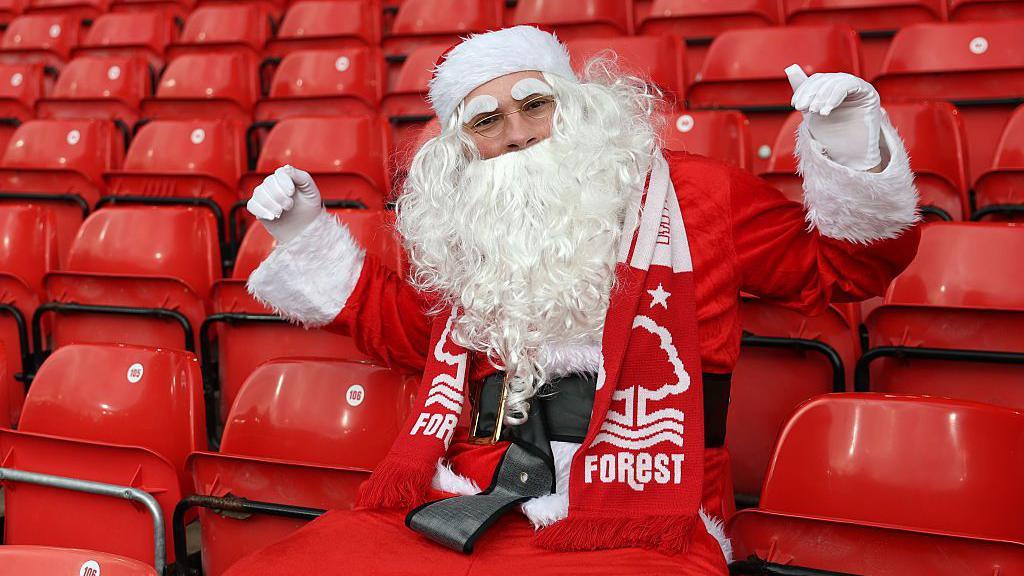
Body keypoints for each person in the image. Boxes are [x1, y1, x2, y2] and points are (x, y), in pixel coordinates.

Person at [231, 26, 920, 575]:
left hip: (644, 514)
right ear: (460, 146)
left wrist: (849, 147)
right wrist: (306, 238)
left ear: (579, 104)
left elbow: (847, 269)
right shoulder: (467, 220)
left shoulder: (699, 195)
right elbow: (417, 337)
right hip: (466, 497)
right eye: (487, 121)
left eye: (536, 104)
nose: (520, 133)